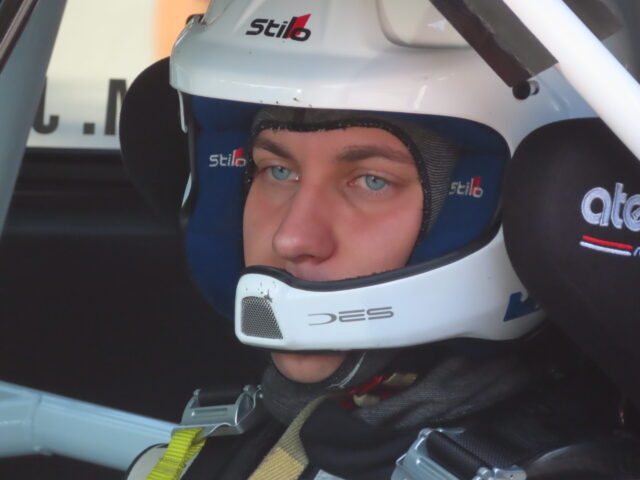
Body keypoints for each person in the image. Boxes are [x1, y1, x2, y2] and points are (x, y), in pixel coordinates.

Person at [124, 2, 640, 479]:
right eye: (277, 171)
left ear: (508, 201)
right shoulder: (247, 441)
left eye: (371, 181)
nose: (292, 237)